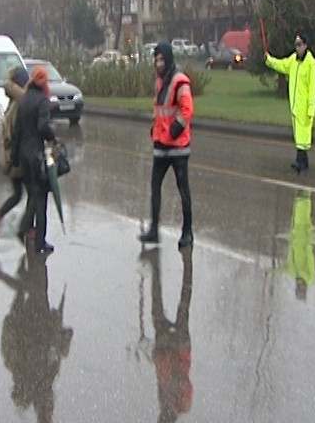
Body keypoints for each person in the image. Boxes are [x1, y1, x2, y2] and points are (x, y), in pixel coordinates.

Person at [0, 251, 73, 423]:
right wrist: (60, 339)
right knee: (36, 284)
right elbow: (55, 354)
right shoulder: (41, 385)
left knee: (33, 285)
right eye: (50, 415)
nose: (51, 413)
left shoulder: (31, 382)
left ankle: (32, 250)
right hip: (37, 323)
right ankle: (33, 251)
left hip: (32, 323)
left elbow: (49, 354)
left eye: (47, 416)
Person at [139, 42, 194, 249]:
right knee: (155, 186)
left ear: (169, 59)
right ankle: (154, 230)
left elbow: (186, 110)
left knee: (183, 189)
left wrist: (173, 130)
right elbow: (160, 109)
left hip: (178, 146)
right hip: (161, 145)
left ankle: (187, 231)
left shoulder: (180, 81)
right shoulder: (160, 81)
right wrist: (155, 129)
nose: (158, 63)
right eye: (156, 59)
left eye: (161, 59)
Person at [139, 247, 193, 423]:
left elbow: (165, 375)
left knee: (162, 305)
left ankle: (159, 265)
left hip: (172, 346)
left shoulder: (173, 404)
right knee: (180, 304)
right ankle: (186, 267)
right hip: (176, 347)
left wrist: (158, 356)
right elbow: (174, 376)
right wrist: (159, 357)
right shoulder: (180, 403)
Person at [13, 65, 56, 254]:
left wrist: (14, 157)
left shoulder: (24, 100)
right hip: (36, 155)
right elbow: (43, 126)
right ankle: (40, 241)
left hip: (23, 154)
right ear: (44, 83)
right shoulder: (42, 101)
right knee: (41, 199)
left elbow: (17, 130)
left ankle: (24, 228)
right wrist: (52, 136)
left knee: (32, 194)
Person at [264, 33, 315, 173]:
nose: (298, 48)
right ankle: (303, 160)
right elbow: (282, 64)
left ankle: (300, 160)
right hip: (295, 104)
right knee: (299, 133)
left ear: (306, 45)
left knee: (303, 134)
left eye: (300, 44)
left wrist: (311, 108)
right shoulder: (293, 60)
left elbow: (313, 88)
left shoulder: (310, 64)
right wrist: (270, 60)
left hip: (304, 104)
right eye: (296, 45)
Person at [0, 66, 30, 242]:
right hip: (18, 157)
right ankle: (26, 230)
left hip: (11, 156)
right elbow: (20, 131)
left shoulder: (13, 101)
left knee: (18, 194)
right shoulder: (20, 103)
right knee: (34, 194)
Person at [283, 189, 315, 301]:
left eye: (297, 289)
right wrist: (308, 241)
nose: (298, 286)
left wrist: (269, 273)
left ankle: (300, 197)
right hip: (303, 239)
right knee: (303, 217)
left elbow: (283, 269)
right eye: (300, 289)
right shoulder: (308, 276)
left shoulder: (294, 273)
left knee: (297, 217)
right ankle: (306, 195)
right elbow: (310, 258)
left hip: (295, 237)